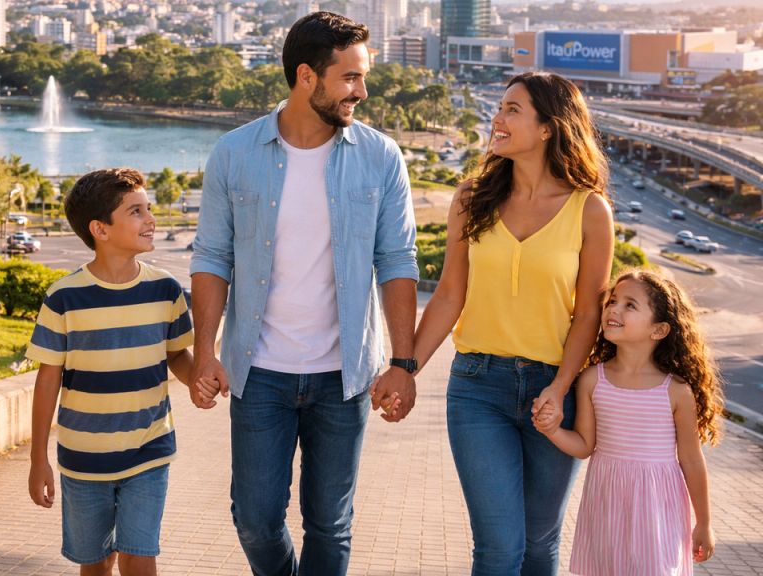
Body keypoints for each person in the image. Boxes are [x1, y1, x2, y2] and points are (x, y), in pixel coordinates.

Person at [189, 12, 419, 576]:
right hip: (259, 373)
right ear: (306, 77)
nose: (361, 92)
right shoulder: (234, 154)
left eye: (363, 78)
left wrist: (404, 362)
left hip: (344, 377)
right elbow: (213, 258)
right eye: (350, 78)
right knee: (255, 520)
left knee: (330, 525)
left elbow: (396, 263)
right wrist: (204, 350)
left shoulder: (381, 157)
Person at [403, 71, 615, 575]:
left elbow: (589, 313)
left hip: (553, 391)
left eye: (512, 110)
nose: (496, 119)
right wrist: (403, 366)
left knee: (540, 548)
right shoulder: (471, 198)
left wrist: (561, 387)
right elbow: (450, 294)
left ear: (548, 127)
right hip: (477, 387)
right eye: (499, 108)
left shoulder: (590, 210)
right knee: (500, 548)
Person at [24, 168, 201, 576]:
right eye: (136, 212)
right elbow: (48, 379)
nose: (151, 220)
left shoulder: (166, 290)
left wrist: (200, 381)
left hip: (149, 449)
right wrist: (38, 460)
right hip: (83, 459)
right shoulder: (64, 296)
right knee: (97, 563)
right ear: (100, 230)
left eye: (149, 209)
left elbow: (177, 356)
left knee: (140, 557)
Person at [533, 268, 722, 574]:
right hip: (607, 504)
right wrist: (553, 430)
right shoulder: (594, 379)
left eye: (629, 305)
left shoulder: (675, 391)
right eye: (612, 301)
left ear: (658, 330)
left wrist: (704, 522)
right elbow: (584, 446)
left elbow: (691, 460)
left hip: (657, 508)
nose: (613, 309)